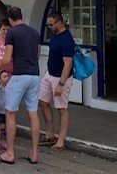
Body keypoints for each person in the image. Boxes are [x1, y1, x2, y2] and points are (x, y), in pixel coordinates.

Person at [0, 6, 41, 165]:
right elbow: (37, 55)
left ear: (10, 19)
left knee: (10, 112)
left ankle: (10, 153)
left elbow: (6, 59)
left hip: (19, 76)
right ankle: (34, 153)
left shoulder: (12, 33)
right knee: (33, 113)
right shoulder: (34, 32)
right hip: (34, 75)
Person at [38, 11, 75, 154]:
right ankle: (50, 134)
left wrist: (61, 84)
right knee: (43, 102)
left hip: (61, 78)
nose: (49, 27)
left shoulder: (66, 39)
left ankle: (61, 142)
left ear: (59, 23)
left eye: (51, 24)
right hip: (49, 74)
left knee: (61, 108)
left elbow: (68, 64)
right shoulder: (55, 35)